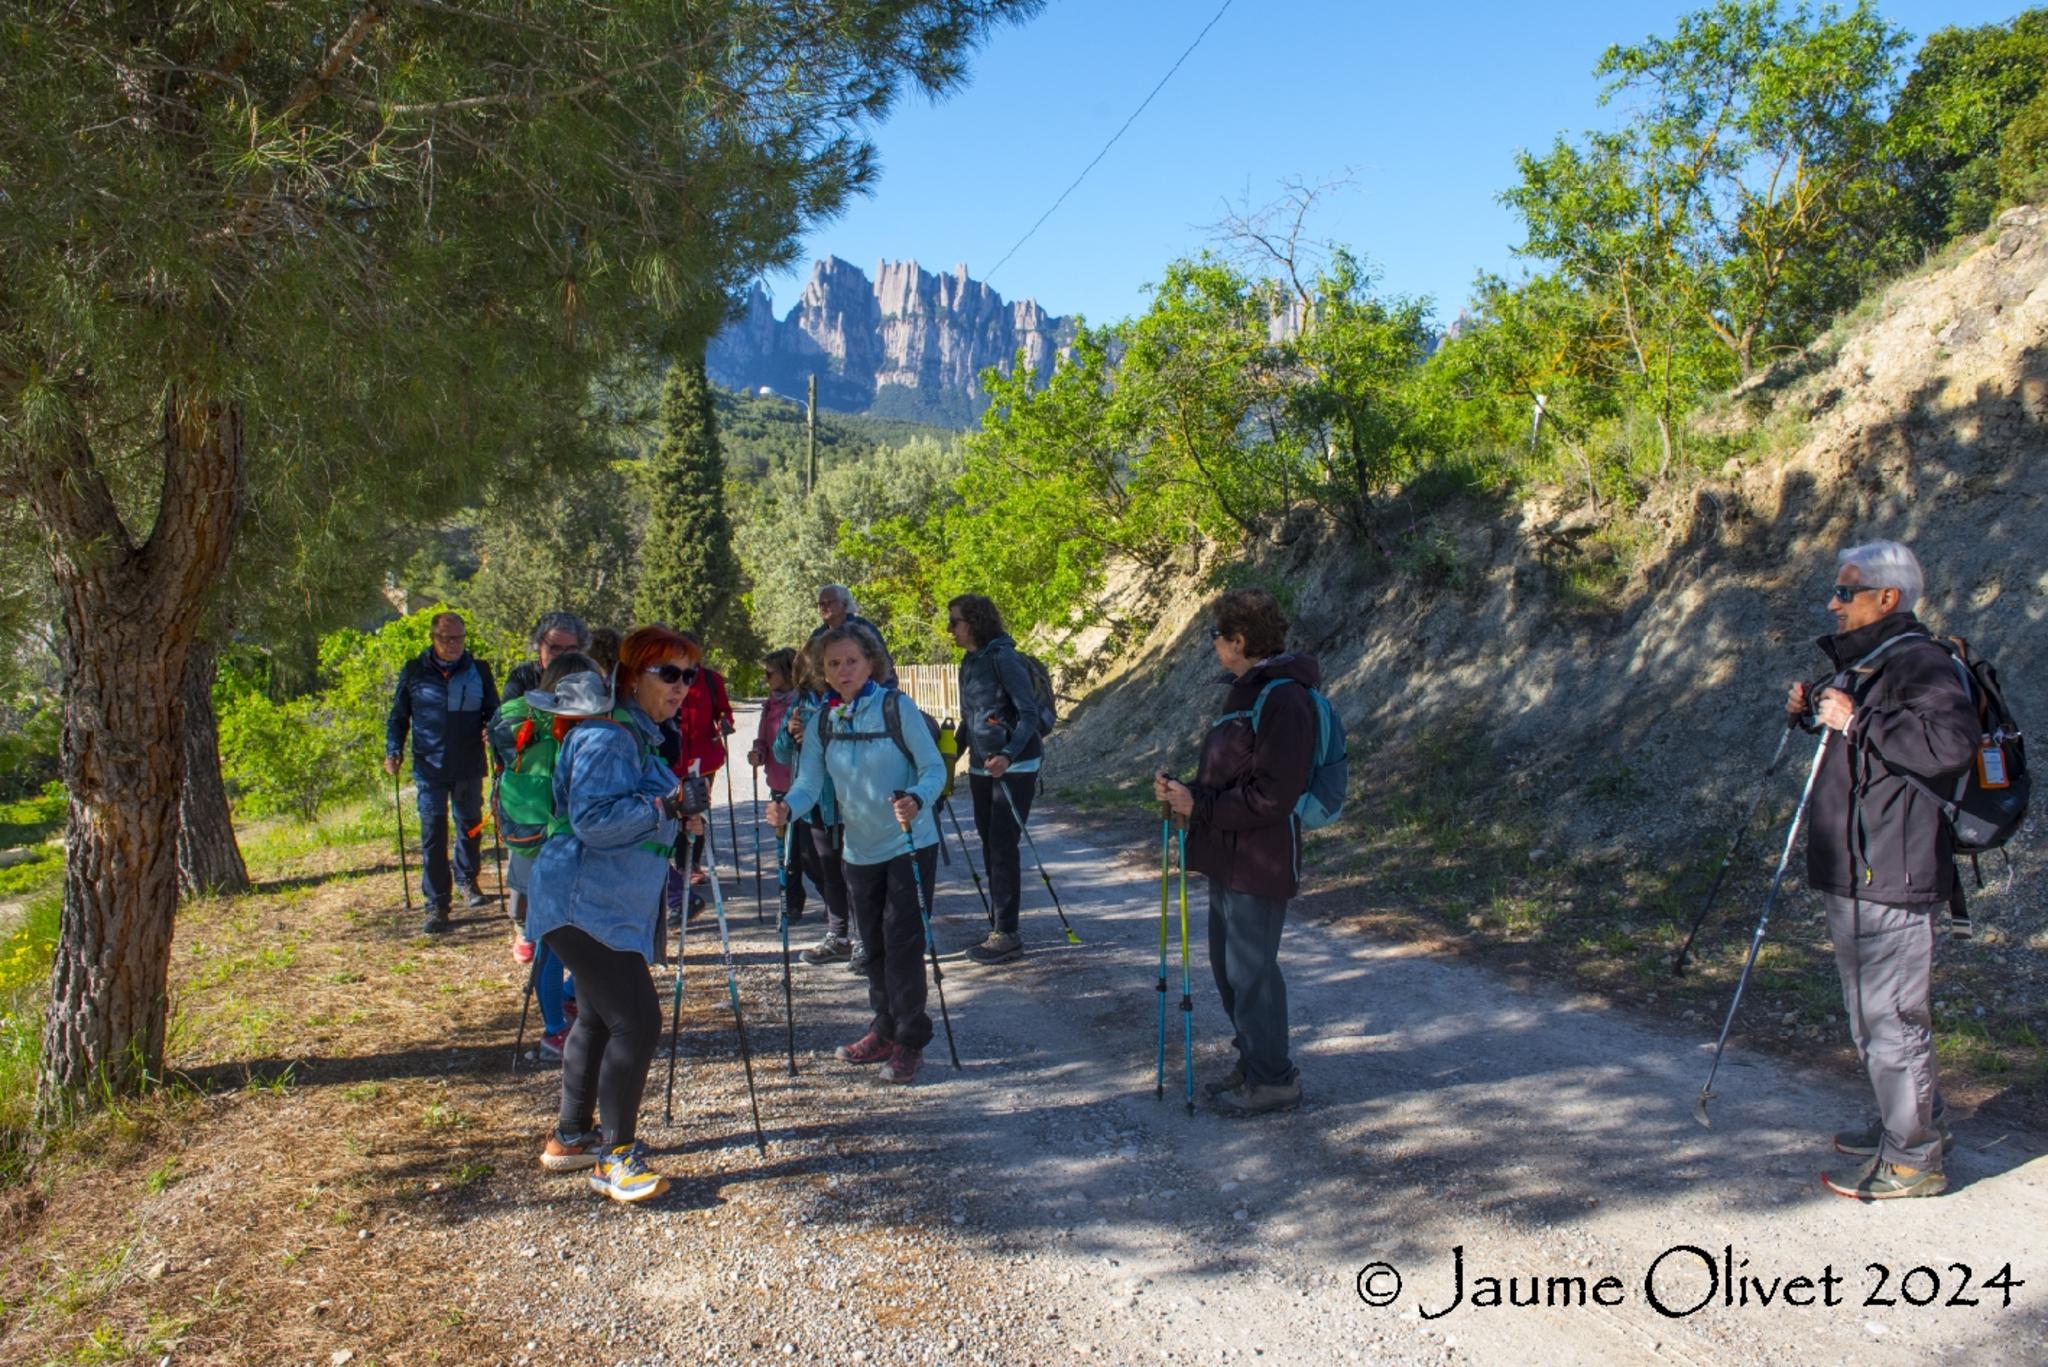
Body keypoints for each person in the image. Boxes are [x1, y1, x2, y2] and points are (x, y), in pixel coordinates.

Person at [1790, 541, 1979, 1201]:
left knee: (1891, 1015)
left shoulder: (1921, 662)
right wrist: (1810, 710)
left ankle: (1913, 1158)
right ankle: (1911, 1122)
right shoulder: (1872, 663)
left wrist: (1857, 717)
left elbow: (1951, 746)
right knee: (1870, 1015)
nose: (1832, 603)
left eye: (1845, 592)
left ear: (1886, 597)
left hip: (1892, 869)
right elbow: (1863, 742)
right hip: (1858, 868)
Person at [525, 627, 709, 1202]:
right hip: (585, 903)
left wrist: (678, 818)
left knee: (599, 1019)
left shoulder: (640, 739)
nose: (681, 686)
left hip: (596, 903)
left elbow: (635, 821)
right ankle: (617, 1159)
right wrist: (666, 804)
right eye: (668, 674)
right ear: (631, 677)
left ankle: (573, 1136)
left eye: (689, 675)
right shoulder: (609, 738)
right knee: (638, 1020)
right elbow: (595, 822)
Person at [1154, 588, 1318, 1117]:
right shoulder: (1247, 691)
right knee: (1230, 972)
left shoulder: (1284, 698)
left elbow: (1273, 795)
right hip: (1229, 855)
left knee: (1252, 973)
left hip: (1260, 858)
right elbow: (1232, 776)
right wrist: (1187, 795)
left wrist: (1197, 803)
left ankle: (1274, 1080)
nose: (1213, 645)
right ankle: (1255, 1064)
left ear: (1240, 640)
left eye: (1217, 636)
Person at [768, 624, 945, 1084]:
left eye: (851, 661)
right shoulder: (823, 720)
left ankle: (910, 1041)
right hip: (859, 850)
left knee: (903, 945)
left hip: (910, 843)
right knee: (873, 947)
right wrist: (788, 806)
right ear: (822, 672)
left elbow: (934, 768)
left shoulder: (895, 707)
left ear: (871, 664)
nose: (843, 670)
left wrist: (917, 799)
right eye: (833, 664)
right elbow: (809, 783)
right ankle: (883, 1029)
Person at [489, 651, 608, 1055]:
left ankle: (558, 1016)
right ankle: (556, 1025)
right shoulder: (568, 727)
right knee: (563, 939)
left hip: (527, 840)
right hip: (558, 846)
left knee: (549, 938)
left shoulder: (521, 721)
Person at [386, 611, 500, 933]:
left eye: (459, 639)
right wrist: (392, 749)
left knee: (469, 826)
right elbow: (398, 717)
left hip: (467, 763)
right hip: (429, 766)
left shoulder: (478, 670)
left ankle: (467, 880)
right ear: (433, 638)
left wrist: (492, 730)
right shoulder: (414, 671)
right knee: (433, 834)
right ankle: (436, 904)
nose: (453, 645)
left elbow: (493, 711)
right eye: (446, 639)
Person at [947, 594, 1044, 966]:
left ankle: (1007, 934)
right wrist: (948, 760)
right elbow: (971, 718)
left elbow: (1029, 714)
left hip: (1014, 768)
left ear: (974, 621)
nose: (949, 630)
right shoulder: (970, 662)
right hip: (981, 768)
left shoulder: (1004, 658)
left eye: (954, 622)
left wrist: (1008, 754)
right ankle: (1000, 927)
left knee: (1002, 847)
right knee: (990, 846)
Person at [774, 641, 855, 969]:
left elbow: (854, 743)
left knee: (856, 873)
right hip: (815, 804)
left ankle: (865, 938)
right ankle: (838, 936)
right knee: (828, 872)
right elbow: (782, 754)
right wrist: (790, 734)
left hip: (848, 799)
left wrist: (817, 737)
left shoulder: (848, 699)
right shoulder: (798, 704)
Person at [808, 584, 897, 687]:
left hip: (871, 692)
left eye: (829, 602)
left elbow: (883, 663)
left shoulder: (863, 629)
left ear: (845, 605)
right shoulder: (817, 635)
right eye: (821, 604)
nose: (824, 607)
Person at [503, 612, 591, 703]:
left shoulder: (589, 677)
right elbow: (509, 714)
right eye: (556, 649)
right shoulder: (523, 676)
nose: (564, 655)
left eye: (571, 649)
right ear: (538, 647)